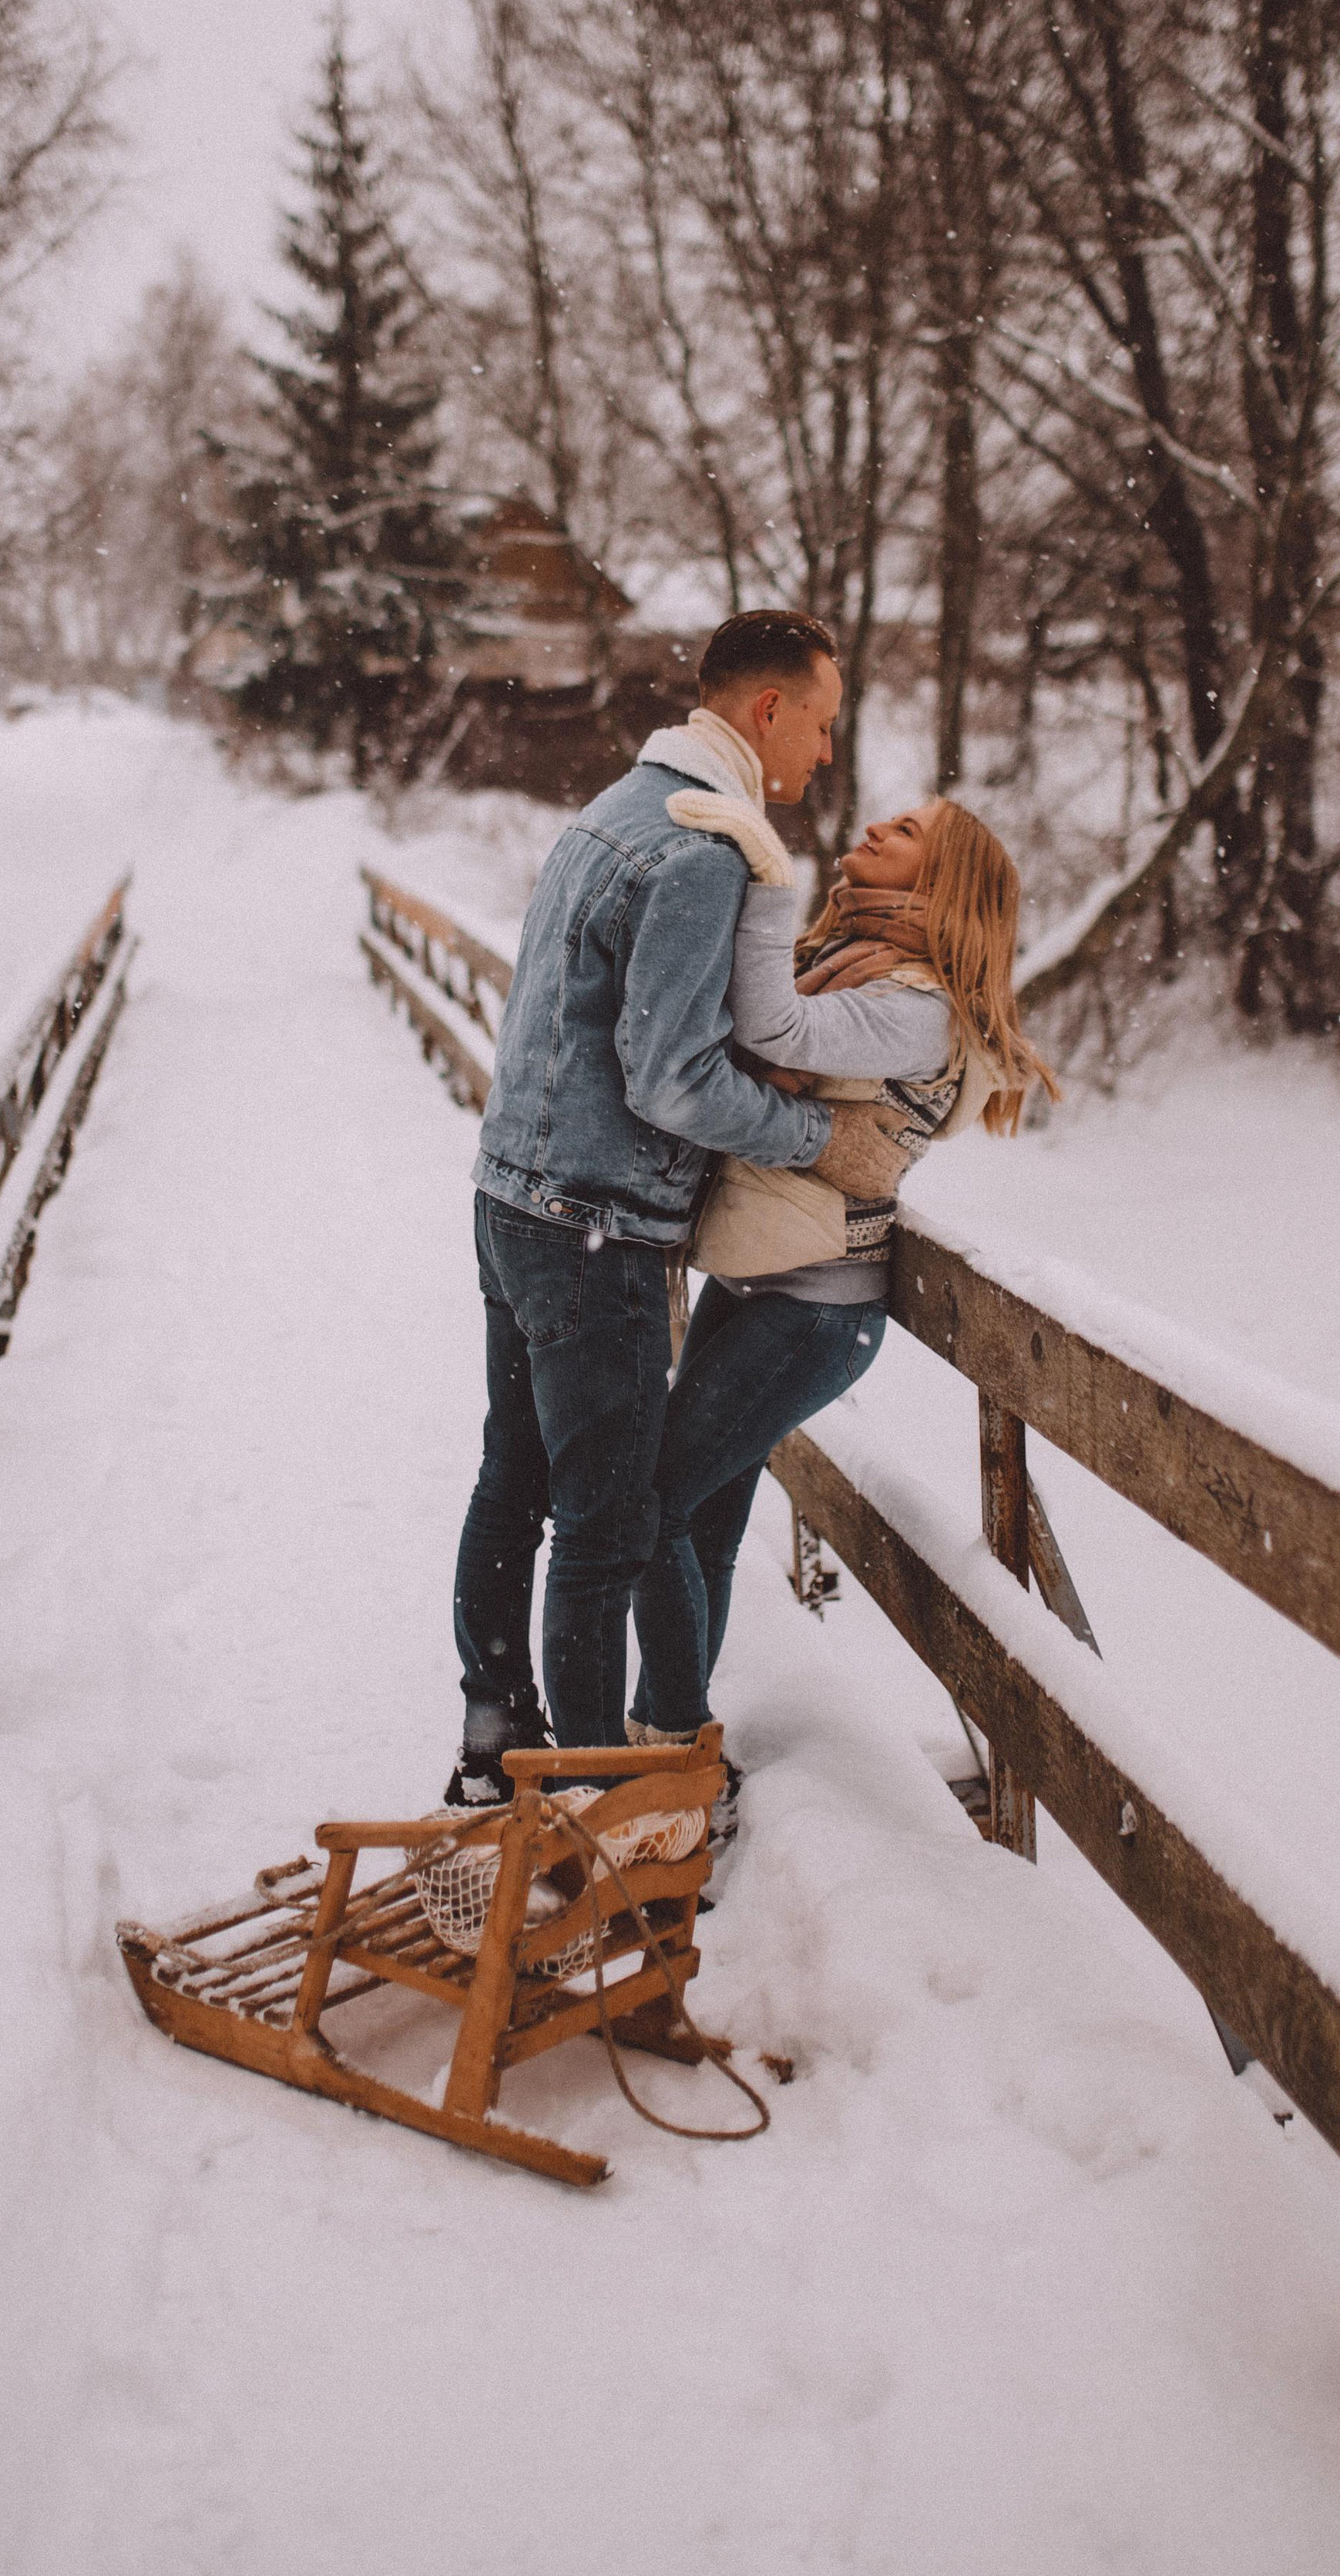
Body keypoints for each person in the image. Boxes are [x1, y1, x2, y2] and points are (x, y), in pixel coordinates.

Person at [445, 612, 912, 1803]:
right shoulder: (705, 854)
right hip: (593, 1223)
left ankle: (498, 1748)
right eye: (818, 722)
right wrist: (823, 1136)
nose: (821, 752)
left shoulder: (617, 808)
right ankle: (611, 1813)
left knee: (516, 1478)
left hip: (513, 1198)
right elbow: (670, 1077)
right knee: (605, 1534)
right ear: (766, 712)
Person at [626, 795, 1060, 1753]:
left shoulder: (916, 1007)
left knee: (649, 1507)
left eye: (903, 833)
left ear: (941, 885)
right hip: (756, 1279)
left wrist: (765, 875)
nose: (873, 830)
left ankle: (671, 1746)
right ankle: (674, 1744)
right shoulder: (851, 966)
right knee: (696, 1520)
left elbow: (772, 1034)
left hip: (812, 1308)